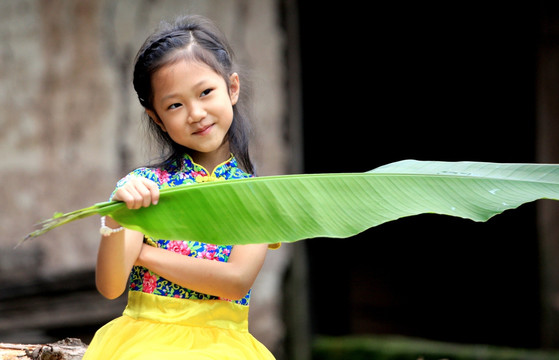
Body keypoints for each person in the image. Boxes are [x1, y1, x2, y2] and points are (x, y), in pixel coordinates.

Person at [82, 14, 275, 359]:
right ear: (157, 117)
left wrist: (141, 254)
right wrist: (115, 220)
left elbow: (235, 281)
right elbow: (111, 288)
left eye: (205, 92)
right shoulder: (142, 188)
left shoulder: (256, 196)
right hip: (142, 343)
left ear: (232, 88)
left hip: (224, 346)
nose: (196, 113)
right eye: (175, 105)